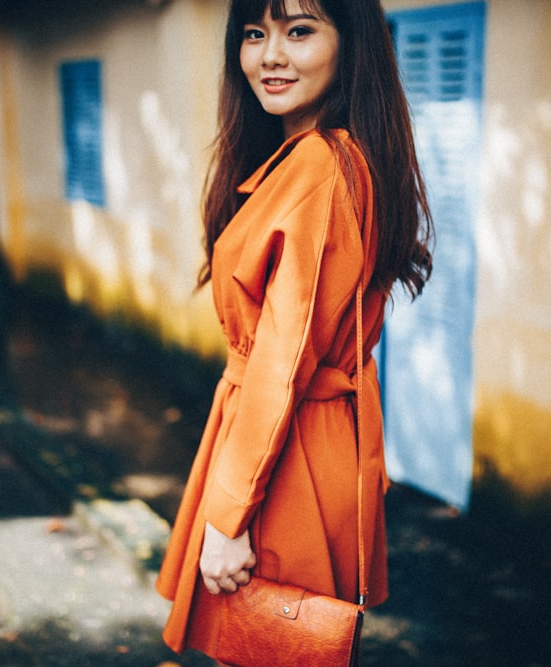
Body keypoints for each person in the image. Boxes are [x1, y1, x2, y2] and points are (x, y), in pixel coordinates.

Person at [156, 0, 432, 661]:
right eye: (255, 34)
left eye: (299, 30)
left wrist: (228, 515)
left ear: (351, 44)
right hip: (314, 443)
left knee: (263, 645)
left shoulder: (316, 167)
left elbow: (282, 360)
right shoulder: (343, 157)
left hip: (286, 461)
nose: (270, 54)